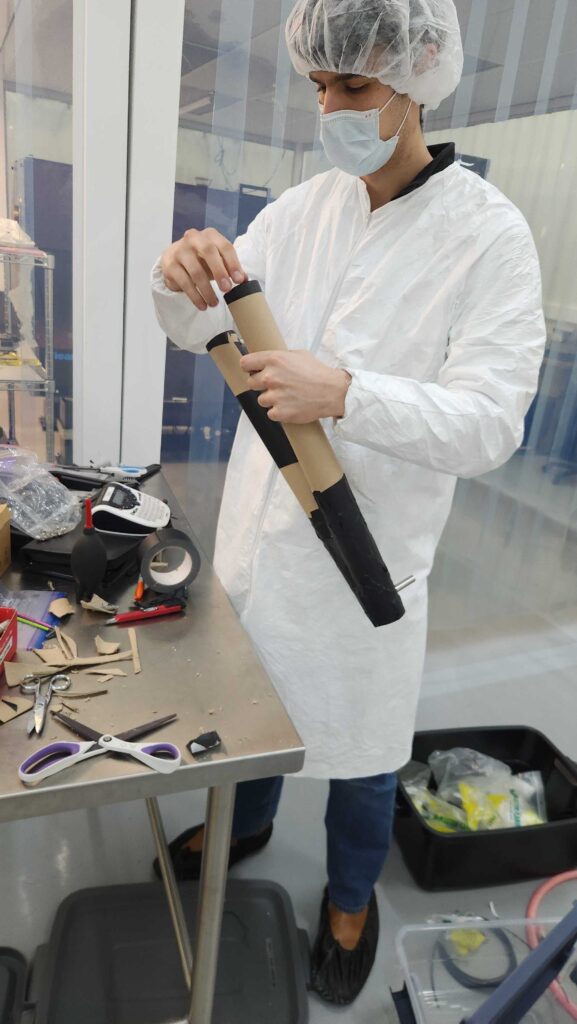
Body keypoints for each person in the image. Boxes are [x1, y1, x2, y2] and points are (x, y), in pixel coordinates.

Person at [151, 0, 546, 1005]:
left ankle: (350, 899)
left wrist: (349, 395)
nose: (329, 108)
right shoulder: (301, 211)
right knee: (253, 718)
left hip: (368, 560)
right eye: (319, 85)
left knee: (363, 757)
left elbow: (491, 423)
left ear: (419, 76)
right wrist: (178, 276)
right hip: (259, 543)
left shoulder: (487, 236)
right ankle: (242, 827)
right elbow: (201, 326)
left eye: (354, 86)